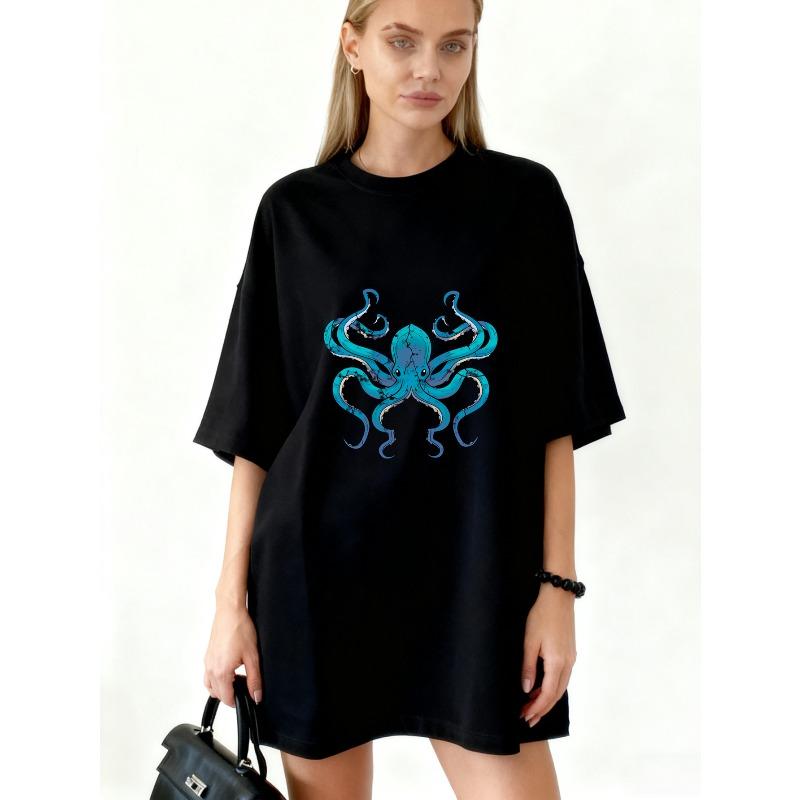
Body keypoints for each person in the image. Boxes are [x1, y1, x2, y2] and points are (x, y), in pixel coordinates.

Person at [193, 0, 626, 798]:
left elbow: (555, 421)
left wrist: (556, 593)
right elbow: (258, 428)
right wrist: (230, 606)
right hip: (315, 579)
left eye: (454, 45)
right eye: (402, 42)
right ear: (353, 46)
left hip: (476, 575)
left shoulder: (524, 202)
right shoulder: (294, 213)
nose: (430, 69)